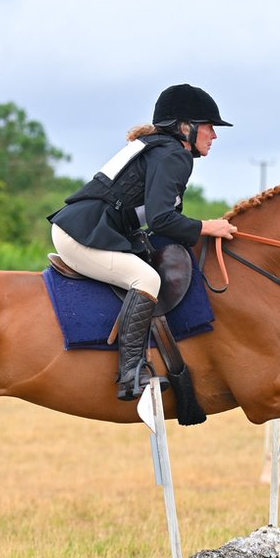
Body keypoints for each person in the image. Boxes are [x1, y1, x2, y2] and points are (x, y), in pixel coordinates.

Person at [48, 84, 237, 401]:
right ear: (185, 127)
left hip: (85, 228)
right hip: (83, 234)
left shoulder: (159, 148)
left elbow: (161, 218)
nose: (214, 135)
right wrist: (207, 226)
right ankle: (131, 373)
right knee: (146, 279)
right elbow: (162, 220)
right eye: (208, 126)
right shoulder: (173, 155)